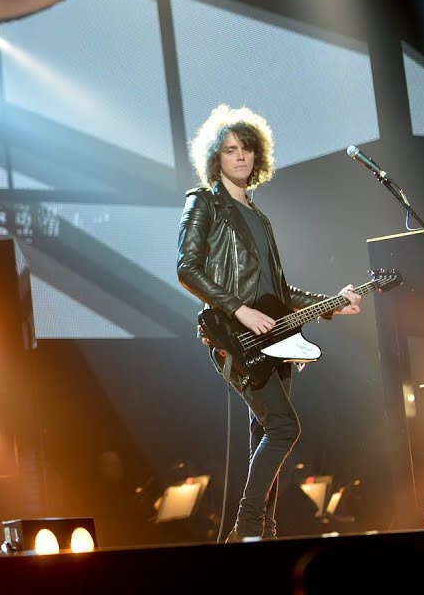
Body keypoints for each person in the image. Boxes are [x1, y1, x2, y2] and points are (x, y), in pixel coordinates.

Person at [175, 104, 360, 542]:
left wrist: (334, 303)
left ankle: (265, 536)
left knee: (266, 436)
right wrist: (239, 309)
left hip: (273, 340)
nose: (240, 157)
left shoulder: (259, 216)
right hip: (233, 336)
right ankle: (247, 527)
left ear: (258, 156)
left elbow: (279, 292)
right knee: (284, 428)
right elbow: (187, 267)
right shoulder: (203, 201)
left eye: (246, 149)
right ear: (214, 159)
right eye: (229, 150)